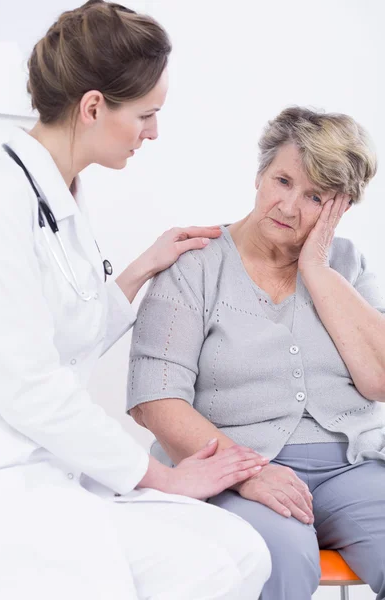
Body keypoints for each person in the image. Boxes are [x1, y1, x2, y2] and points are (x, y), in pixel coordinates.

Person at [0, 2, 272, 599]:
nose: (154, 132)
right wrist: (161, 477)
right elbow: (30, 384)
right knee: (195, 572)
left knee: (243, 551)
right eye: (147, 114)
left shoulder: (58, 192)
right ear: (93, 107)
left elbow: (66, 332)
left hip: (56, 465)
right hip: (5, 478)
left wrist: (144, 266)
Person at [128, 106, 385, 600]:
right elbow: (154, 400)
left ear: (341, 207)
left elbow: (379, 381)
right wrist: (247, 471)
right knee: (281, 557)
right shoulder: (194, 266)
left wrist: (318, 269)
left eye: (314, 196)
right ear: (260, 174)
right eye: (282, 181)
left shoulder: (347, 263)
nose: (289, 207)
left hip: (352, 466)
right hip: (238, 466)